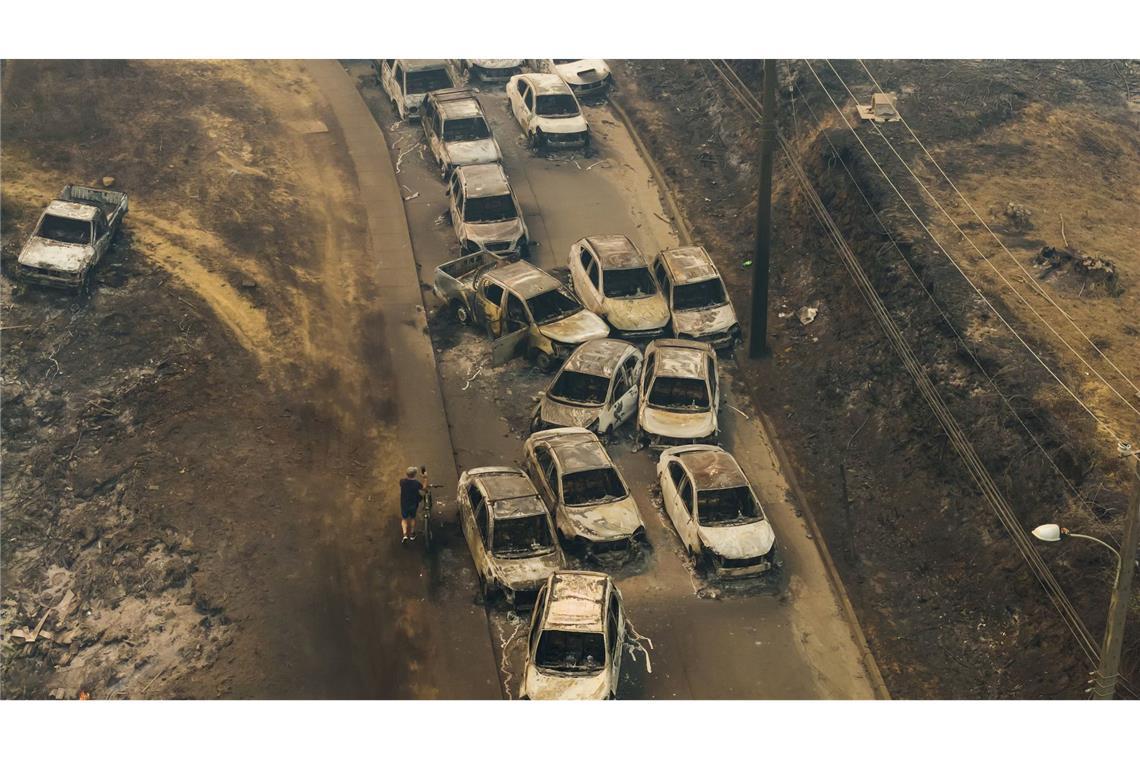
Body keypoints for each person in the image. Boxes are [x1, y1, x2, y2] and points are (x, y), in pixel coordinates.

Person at [399, 465, 426, 543]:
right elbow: (424, 488)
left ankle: (404, 535)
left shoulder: (402, 481)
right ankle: (412, 534)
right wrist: (425, 478)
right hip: (413, 504)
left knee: (404, 519)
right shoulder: (416, 483)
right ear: (415, 474)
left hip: (404, 504)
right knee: (413, 518)